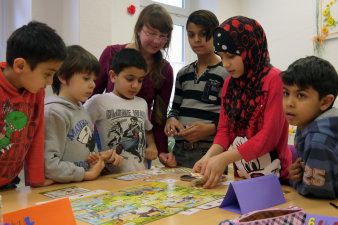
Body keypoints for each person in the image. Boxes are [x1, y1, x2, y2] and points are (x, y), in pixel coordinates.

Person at [192, 16, 292, 188]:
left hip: (277, 178)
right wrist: (208, 157)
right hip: (243, 177)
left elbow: (269, 137)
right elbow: (224, 130)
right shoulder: (230, 84)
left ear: (250, 48)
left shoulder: (275, 79)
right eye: (222, 57)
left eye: (230, 56)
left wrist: (223, 158)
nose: (225, 64)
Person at [92, 4, 174, 160]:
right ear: (138, 29)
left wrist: (162, 149)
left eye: (163, 36)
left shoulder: (165, 69)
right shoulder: (112, 54)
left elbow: (158, 115)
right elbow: (90, 93)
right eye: (151, 33)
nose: (157, 41)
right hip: (105, 135)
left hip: (139, 139)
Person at [0, 21, 66, 189]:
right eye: (47, 74)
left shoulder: (36, 92)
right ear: (20, 65)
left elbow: (36, 135)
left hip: (9, 182)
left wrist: (37, 180)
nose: (50, 82)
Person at [44, 45, 123, 184]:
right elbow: (49, 165)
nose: (93, 85)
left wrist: (101, 158)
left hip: (82, 187)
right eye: (86, 78)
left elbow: (83, 157)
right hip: (59, 191)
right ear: (63, 76)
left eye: (93, 79)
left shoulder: (83, 110)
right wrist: (87, 174)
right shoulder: (54, 113)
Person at [162, 10, 228, 168]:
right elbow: (175, 109)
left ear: (215, 35)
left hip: (210, 153)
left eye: (203, 34)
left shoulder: (226, 73)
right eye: (191, 35)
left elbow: (232, 119)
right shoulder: (183, 74)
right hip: (179, 153)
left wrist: (211, 129)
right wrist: (171, 119)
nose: (197, 40)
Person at [85, 48, 158, 173]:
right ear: (113, 76)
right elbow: (80, 127)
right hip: (112, 176)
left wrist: (152, 146)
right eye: (130, 79)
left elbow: (148, 129)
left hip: (141, 173)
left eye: (140, 80)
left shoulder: (142, 103)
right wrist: (96, 154)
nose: (135, 85)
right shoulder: (98, 101)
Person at [282, 56, 338, 199]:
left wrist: (295, 182)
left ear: (325, 101)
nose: (289, 103)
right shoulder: (306, 125)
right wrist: (302, 173)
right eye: (286, 93)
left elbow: (316, 192)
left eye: (301, 95)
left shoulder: (318, 138)